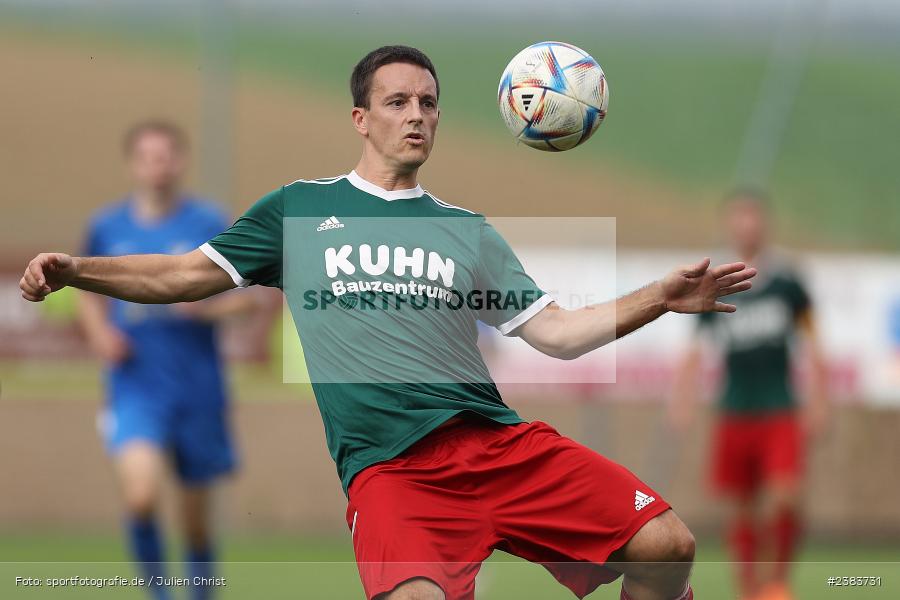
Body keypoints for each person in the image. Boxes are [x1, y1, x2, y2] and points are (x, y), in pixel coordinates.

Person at [21, 46, 756, 600]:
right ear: (361, 118)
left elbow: (557, 333)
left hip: (500, 448)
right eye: (399, 101)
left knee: (666, 544)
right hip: (391, 474)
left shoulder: (467, 230)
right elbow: (184, 275)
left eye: (429, 103)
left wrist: (659, 296)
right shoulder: (299, 211)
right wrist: (79, 269)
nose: (417, 115)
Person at [78, 121, 258, 600]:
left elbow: (248, 299)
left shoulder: (207, 223)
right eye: (147, 156)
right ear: (132, 164)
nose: (158, 165)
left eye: (166, 155)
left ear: (180, 161)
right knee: (140, 497)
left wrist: (205, 306)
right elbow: (86, 292)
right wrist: (100, 334)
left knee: (195, 524)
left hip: (198, 387)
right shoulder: (107, 227)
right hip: (136, 384)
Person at [670, 189, 828, 600]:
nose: (747, 225)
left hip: (780, 408)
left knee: (784, 498)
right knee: (741, 506)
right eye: (739, 218)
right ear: (729, 224)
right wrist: (683, 399)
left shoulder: (787, 281)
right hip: (735, 410)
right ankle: (748, 589)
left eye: (754, 217)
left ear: (765, 223)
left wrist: (819, 399)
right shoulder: (717, 283)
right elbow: (696, 348)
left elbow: (812, 344)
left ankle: (777, 583)